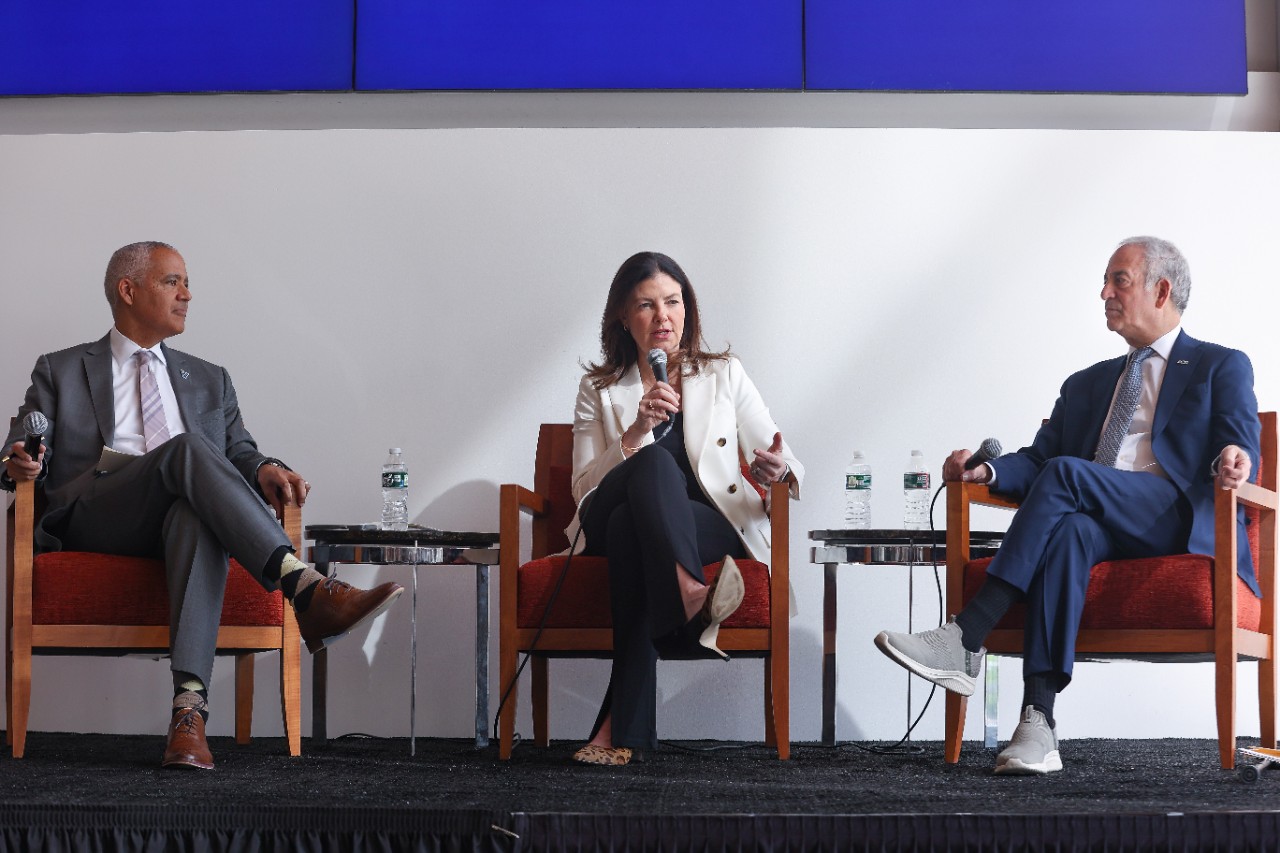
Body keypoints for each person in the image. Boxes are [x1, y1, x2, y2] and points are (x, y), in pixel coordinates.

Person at [2, 241, 404, 770]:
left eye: (187, 283)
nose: (187, 295)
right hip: (98, 514)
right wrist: (19, 461)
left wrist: (266, 468)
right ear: (128, 290)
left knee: (193, 512)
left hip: (177, 517)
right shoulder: (62, 368)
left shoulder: (211, 379)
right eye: (173, 282)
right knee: (188, 449)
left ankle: (188, 715)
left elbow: (240, 451)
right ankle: (304, 586)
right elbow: (20, 442)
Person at [875, 236, 1259, 775]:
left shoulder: (1219, 365)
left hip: (1176, 516)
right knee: (1070, 530)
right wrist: (986, 473)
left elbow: (1240, 440)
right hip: (1098, 516)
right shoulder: (1086, 384)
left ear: (1161, 290)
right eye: (1104, 282)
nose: (1104, 293)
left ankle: (966, 636)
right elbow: (1038, 461)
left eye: (1119, 280)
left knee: (1067, 476)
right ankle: (1038, 722)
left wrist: (1235, 458)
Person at [567, 251, 804, 766]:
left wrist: (775, 470)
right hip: (605, 513)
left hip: (705, 525)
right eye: (646, 305)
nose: (663, 317)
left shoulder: (723, 374)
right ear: (623, 317)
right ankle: (691, 594)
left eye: (672, 302)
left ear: (687, 309)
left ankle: (617, 732)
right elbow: (582, 489)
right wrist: (636, 432)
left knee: (633, 530)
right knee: (649, 467)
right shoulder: (599, 389)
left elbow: (784, 457)